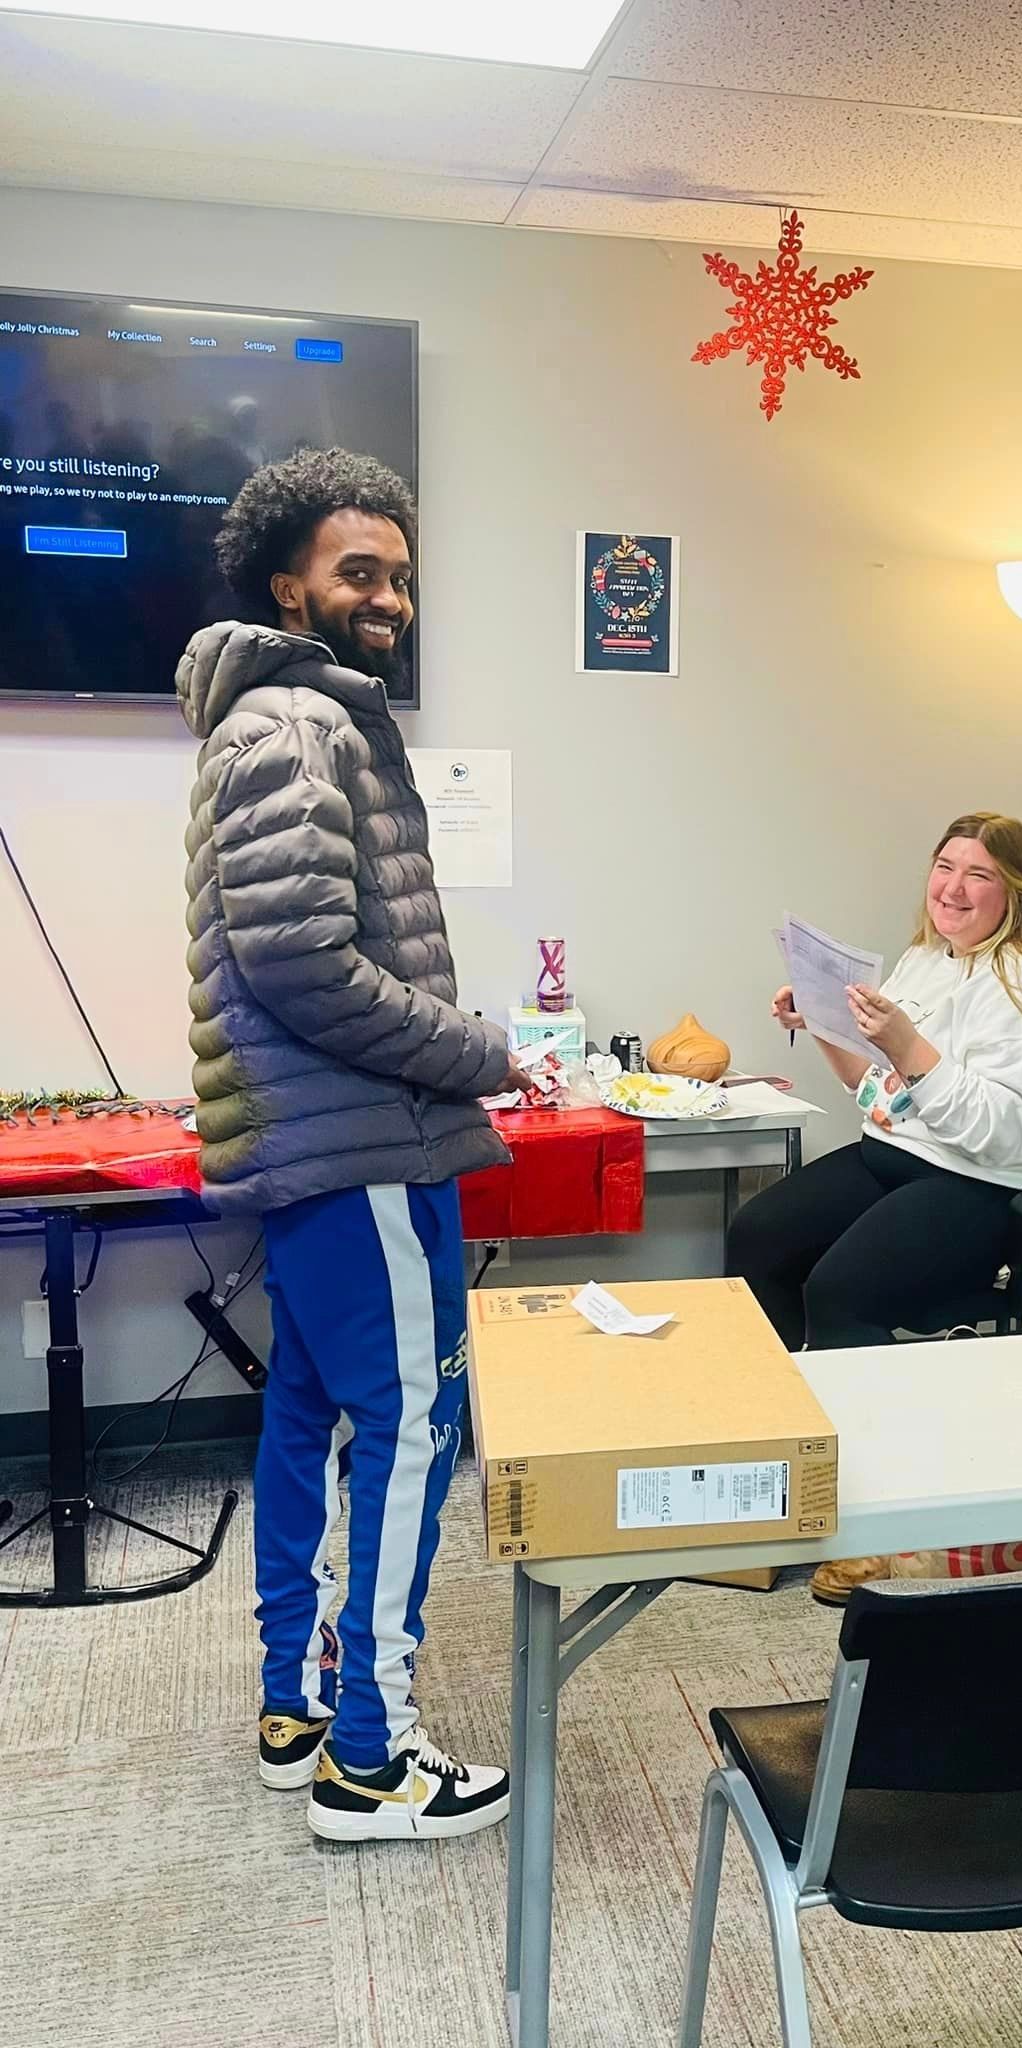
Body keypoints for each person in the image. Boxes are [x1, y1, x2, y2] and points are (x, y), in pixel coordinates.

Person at [178, 447, 532, 1842]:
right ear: (289, 585)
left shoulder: (292, 718)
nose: (387, 597)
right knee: (410, 1432)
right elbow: (303, 963)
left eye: (399, 575)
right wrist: (480, 1053)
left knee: (310, 1414)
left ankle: (299, 1707)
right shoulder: (295, 726)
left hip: (330, 1143)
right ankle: (370, 1760)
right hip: (364, 1146)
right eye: (357, 572)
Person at [729, 810, 1022, 1601]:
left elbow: (1008, 1135)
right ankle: (786, 1465)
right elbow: (883, 1094)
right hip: (915, 1155)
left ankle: (887, 1523)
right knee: (758, 1235)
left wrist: (908, 1045)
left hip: (1007, 1187)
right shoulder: (927, 960)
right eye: (946, 867)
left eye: (979, 875)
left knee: (842, 1293)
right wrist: (825, 1025)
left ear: (1017, 893)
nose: (953, 888)